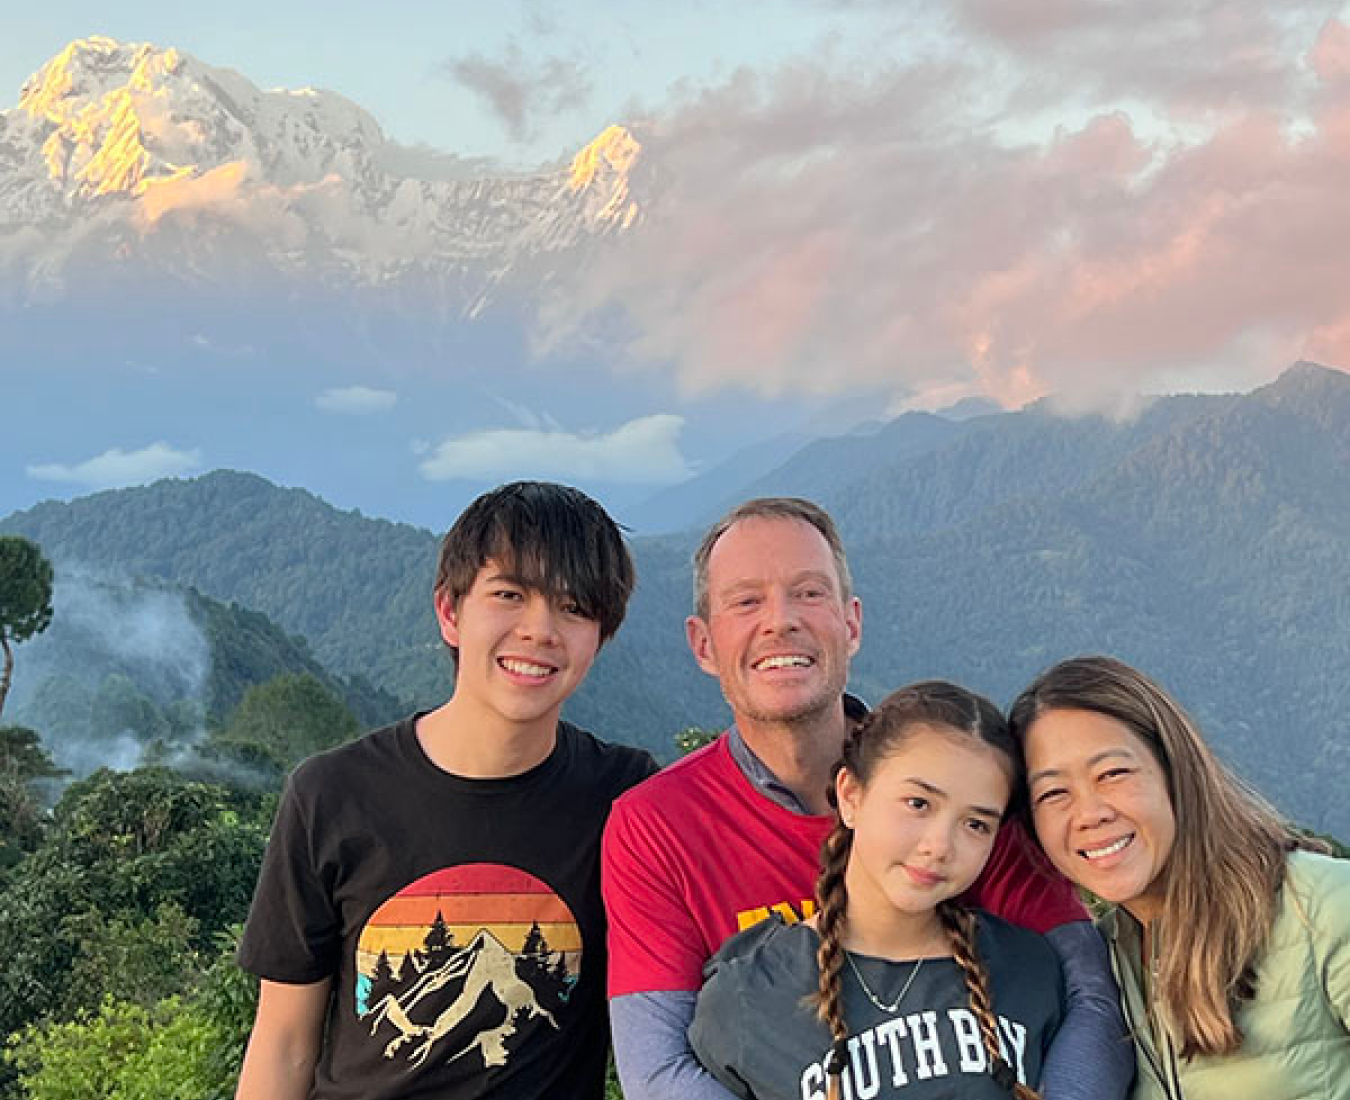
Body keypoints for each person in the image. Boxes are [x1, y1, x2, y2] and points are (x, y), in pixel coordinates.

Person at [602, 498, 1134, 1100]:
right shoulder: (658, 825)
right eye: (746, 601)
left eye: (809, 593)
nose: (780, 621)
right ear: (703, 645)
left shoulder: (960, 783)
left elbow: (1093, 995)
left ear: (851, 624)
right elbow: (659, 1073)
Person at [235, 481, 657, 1100]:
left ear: (601, 635)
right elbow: (283, 1042)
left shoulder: (626, 797)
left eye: (573, 607)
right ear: (450, 612)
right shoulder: (331, 795)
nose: (540, 630)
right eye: (510, 595)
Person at [690, 681, 1064, 1100]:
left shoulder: (1027, 970)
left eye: (976, 824)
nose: (939, 846)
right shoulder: (749, 995)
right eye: (918, 803)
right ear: (851, 796)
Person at [1010, 655, 1350, 1100]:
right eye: (1053, 792)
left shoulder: (1323, 907)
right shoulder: (1108, 960)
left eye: (1112, 773)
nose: (1090, 813)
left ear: (1175, 771)